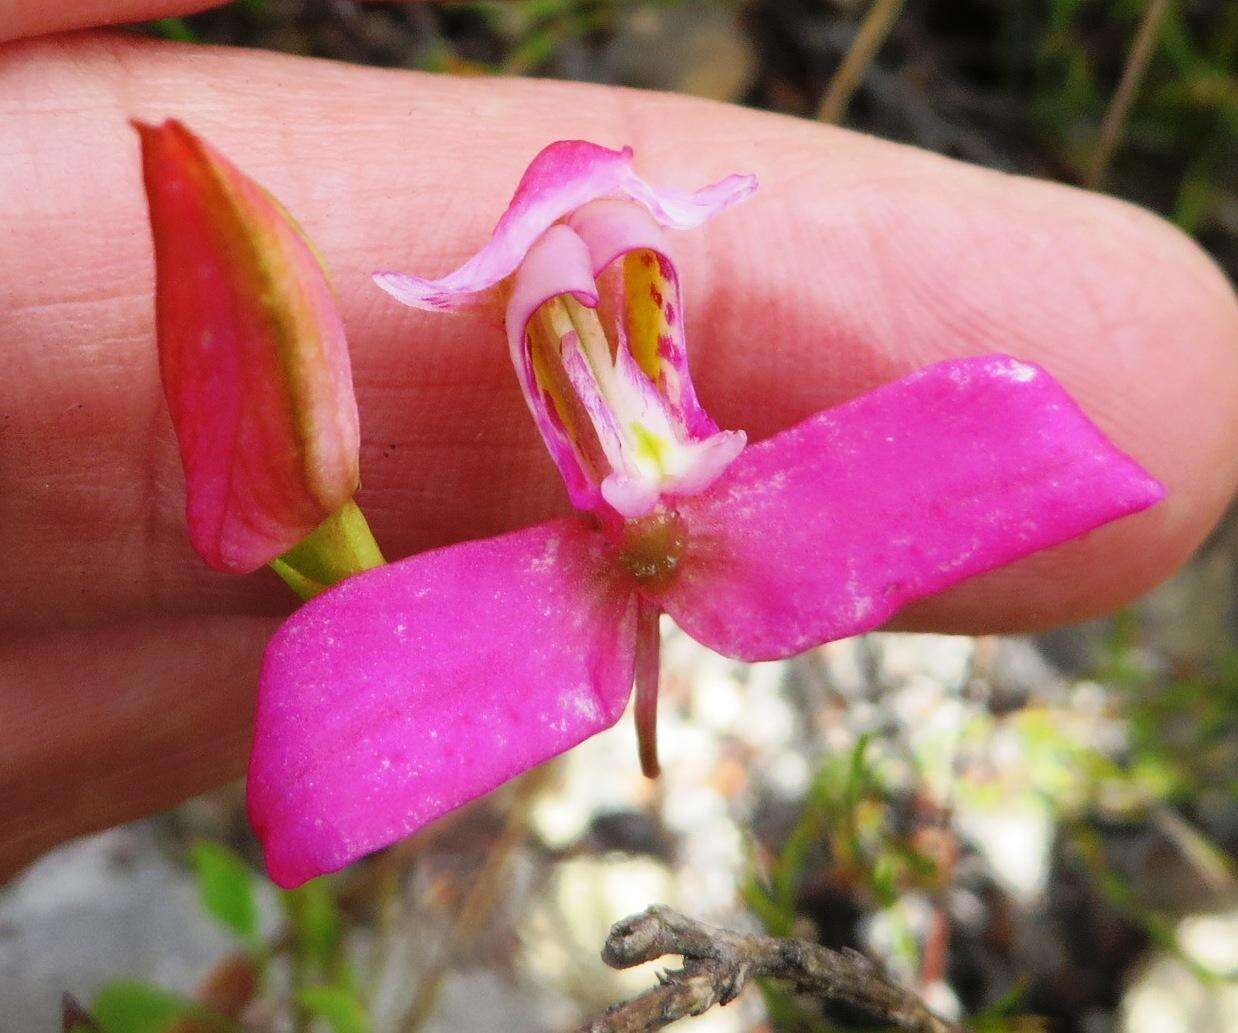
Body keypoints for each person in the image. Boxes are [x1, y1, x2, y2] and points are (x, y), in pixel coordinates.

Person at [1, 1, 1235, 883]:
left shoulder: (793, 516)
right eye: (576, 303)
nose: (600, 293)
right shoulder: (529, 611)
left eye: (638, 275)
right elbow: (323, 778)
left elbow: (1058, 458)